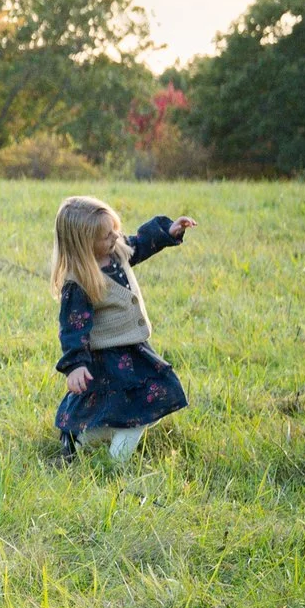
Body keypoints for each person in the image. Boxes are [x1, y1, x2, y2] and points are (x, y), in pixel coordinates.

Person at [52, 196, 196, 462]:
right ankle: (114, 461)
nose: (115, 236)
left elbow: (141, 243)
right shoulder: (80, 281)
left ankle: (83, 439)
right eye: (107, 235)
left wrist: (168, 231)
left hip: (134, 350)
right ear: (84, 244)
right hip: (107, 358)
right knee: (133, 409)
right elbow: (73, 327)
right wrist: (75, 365)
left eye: (114, 229)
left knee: (135, 404)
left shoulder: (116, 250)